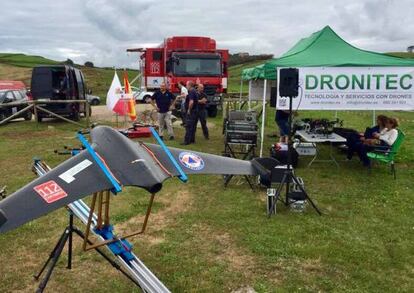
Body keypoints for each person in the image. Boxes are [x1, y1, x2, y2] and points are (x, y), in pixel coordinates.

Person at [182, 81, 198, 145]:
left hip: (191, 111)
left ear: (189, 85)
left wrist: (189, 109)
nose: (186, 86)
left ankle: (186, 141)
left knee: (188, 126)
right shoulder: (194, 91)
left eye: (186, 85)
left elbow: (191, 101)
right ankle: (192, 140)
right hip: (195, 111)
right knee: (193, 126)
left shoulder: (191, 91)